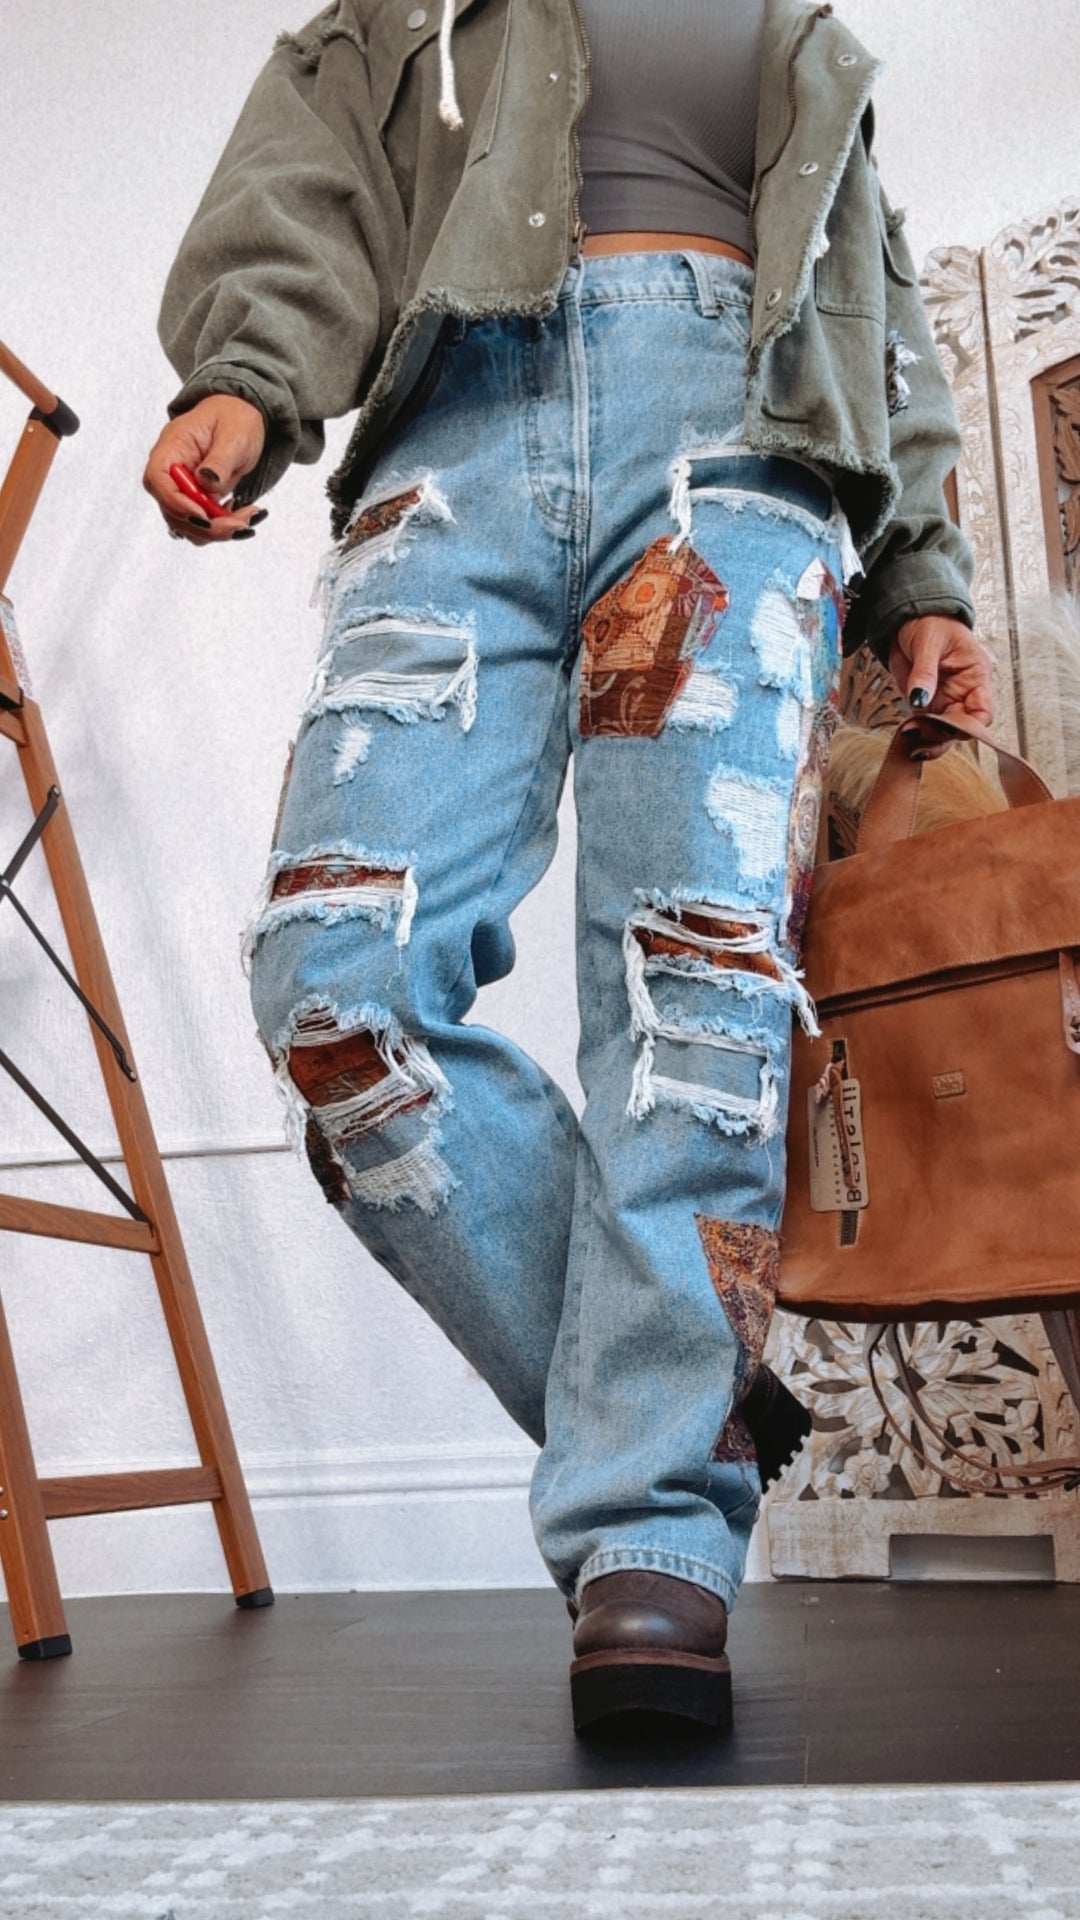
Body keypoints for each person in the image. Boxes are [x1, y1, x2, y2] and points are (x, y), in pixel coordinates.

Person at [144, 0, 994, 1734]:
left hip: (739, 439)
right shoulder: (412, 9)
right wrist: (245, 381)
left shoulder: (799, 28)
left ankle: (650, 1531)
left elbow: (872, 298)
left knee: (694, 995)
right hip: (458, 428)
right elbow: (314, 175)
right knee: (337, 978)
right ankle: (674, 1415)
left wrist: (921, 569)